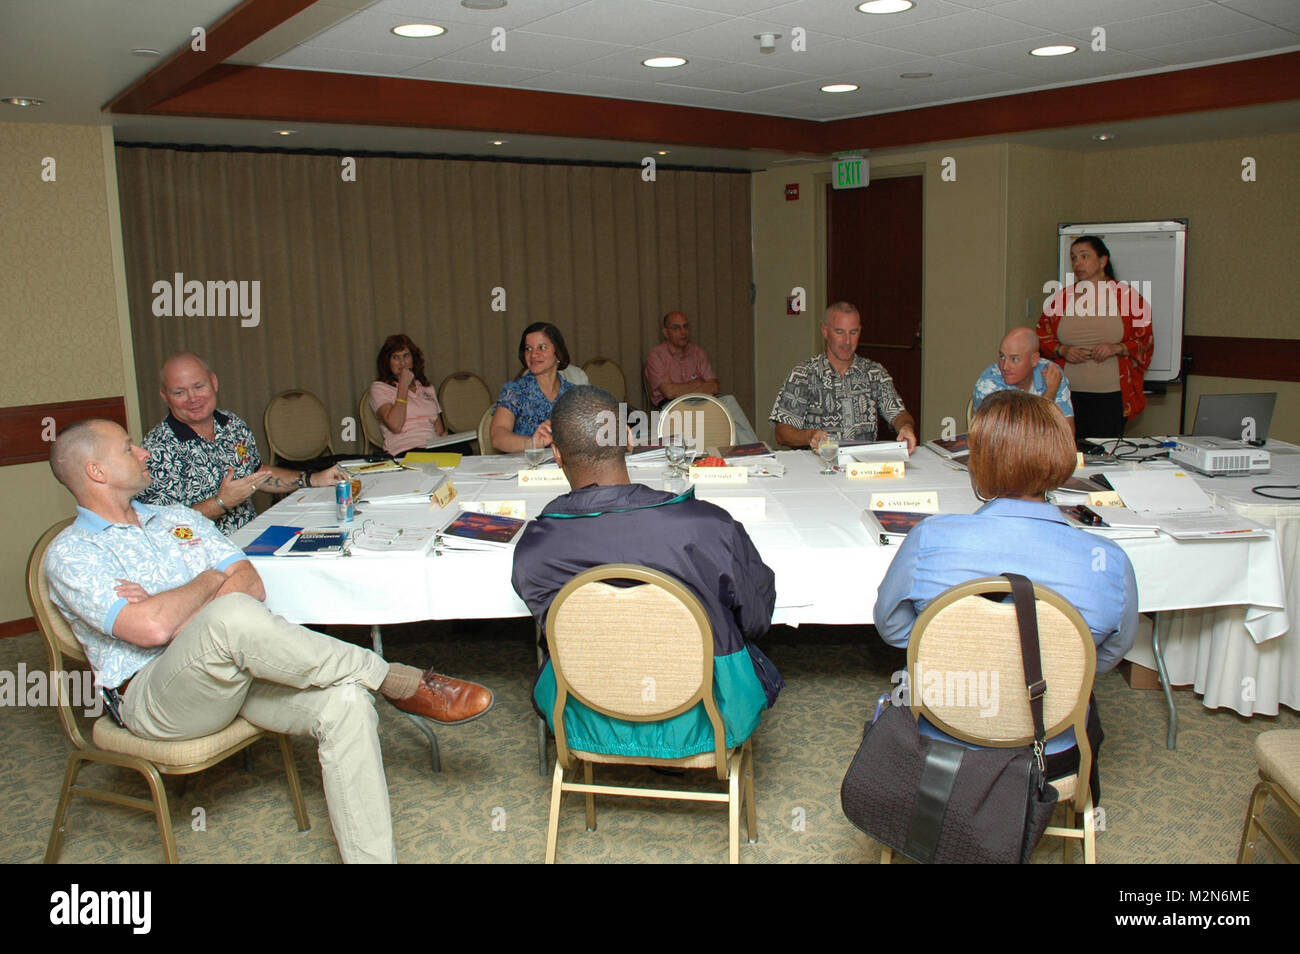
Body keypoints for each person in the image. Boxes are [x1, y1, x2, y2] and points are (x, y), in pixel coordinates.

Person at [43, 419, 494, 863]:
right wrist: (208, 579)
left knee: (347, 703)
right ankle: (395, 680)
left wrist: (172, 605)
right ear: (96, 472)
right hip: (154, 697)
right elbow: (152, 632)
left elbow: (250, 582)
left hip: (229, 672)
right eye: (128, 448)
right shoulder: (73, 551)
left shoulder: (174, 518)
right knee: (229, 615)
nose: (144, 453)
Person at [873, 389, 1138, 799]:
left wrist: (951, 644)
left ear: (978, 463)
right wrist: (1053, 666)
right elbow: (1104, 657)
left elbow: (891, 627)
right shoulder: (1109, 561)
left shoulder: (929, 539)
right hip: (1050, 740)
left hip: (941, 727)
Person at [511, 386, 783, 759]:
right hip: (709, 718)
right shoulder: (708, 527)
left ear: (555, 454)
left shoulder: (536, 549)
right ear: (627, 438)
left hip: (585, 719)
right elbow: (756, 618)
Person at [138, 352, 348, 534]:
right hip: (205, 560)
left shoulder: (231, 423)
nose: (192, 398)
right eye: (179, 392)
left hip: (253, 539)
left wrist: (312, 479)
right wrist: (220, 503)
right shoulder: (156, 450)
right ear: (164, 397)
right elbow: (161, 526)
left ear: (214, 382)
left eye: (198, 386)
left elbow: (256, 474)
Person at [1037, 235, 1153, 439]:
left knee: (1104, 452)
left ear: (1103, 260)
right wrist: (1061, 350)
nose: (1077, 263)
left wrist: (1116, 348)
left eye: (1084, 256)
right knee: (1066, 451)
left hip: (1110, 394)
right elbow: (1040, 334)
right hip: (1066, 394)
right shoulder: (1062, 298)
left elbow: (1145, 339)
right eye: (1073, 258)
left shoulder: (1127, 297)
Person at [770, 302, 918, 453]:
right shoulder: (803, 374)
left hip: (863, 466)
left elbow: (899, 414)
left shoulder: (874, 373)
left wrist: (905, 427)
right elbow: (782, 433)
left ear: (860, 332)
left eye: (853, 333)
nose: (847, 341)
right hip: (818, 466)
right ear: (825, 331)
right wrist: (809, 436)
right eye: (839, 332)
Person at [490, 322, 574, 453]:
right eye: (528, 349)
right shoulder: (515, 391)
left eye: (542, 347)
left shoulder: (573, 394)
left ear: (558, 352)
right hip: (524, 469)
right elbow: (498, 437)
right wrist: (534, 443)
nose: (533, 355)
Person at [972, 326, 1074, 431]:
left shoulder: (1051, 373)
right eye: (1002, 356)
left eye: (1014, 359)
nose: (1005, 367)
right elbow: (1019, 437)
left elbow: (1067, 433)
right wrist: (1050, 393)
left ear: (1034, 360)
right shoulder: (989, 383)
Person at [369, 333, 448, 456]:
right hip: (405, 450)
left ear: (413, 359)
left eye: (406, 356)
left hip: (433, 446)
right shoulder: (379, 388)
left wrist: (447, 441)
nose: (402, 363)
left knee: (464, 449)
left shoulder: (427, 388)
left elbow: (440, 431)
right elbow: (395, 425)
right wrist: (403, 386)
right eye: (396, 357)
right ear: (388, 362)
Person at [644, 311, 720, 408]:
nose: (683, 332)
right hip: (672, 406)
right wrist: (698, 383)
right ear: (666, 333)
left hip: (701, 402)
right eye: (676, 328)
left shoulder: (697, 352)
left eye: (685, 326)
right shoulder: (656, 356)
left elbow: (714, 386)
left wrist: (681, 390)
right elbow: (669, 392)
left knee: (728, 401)